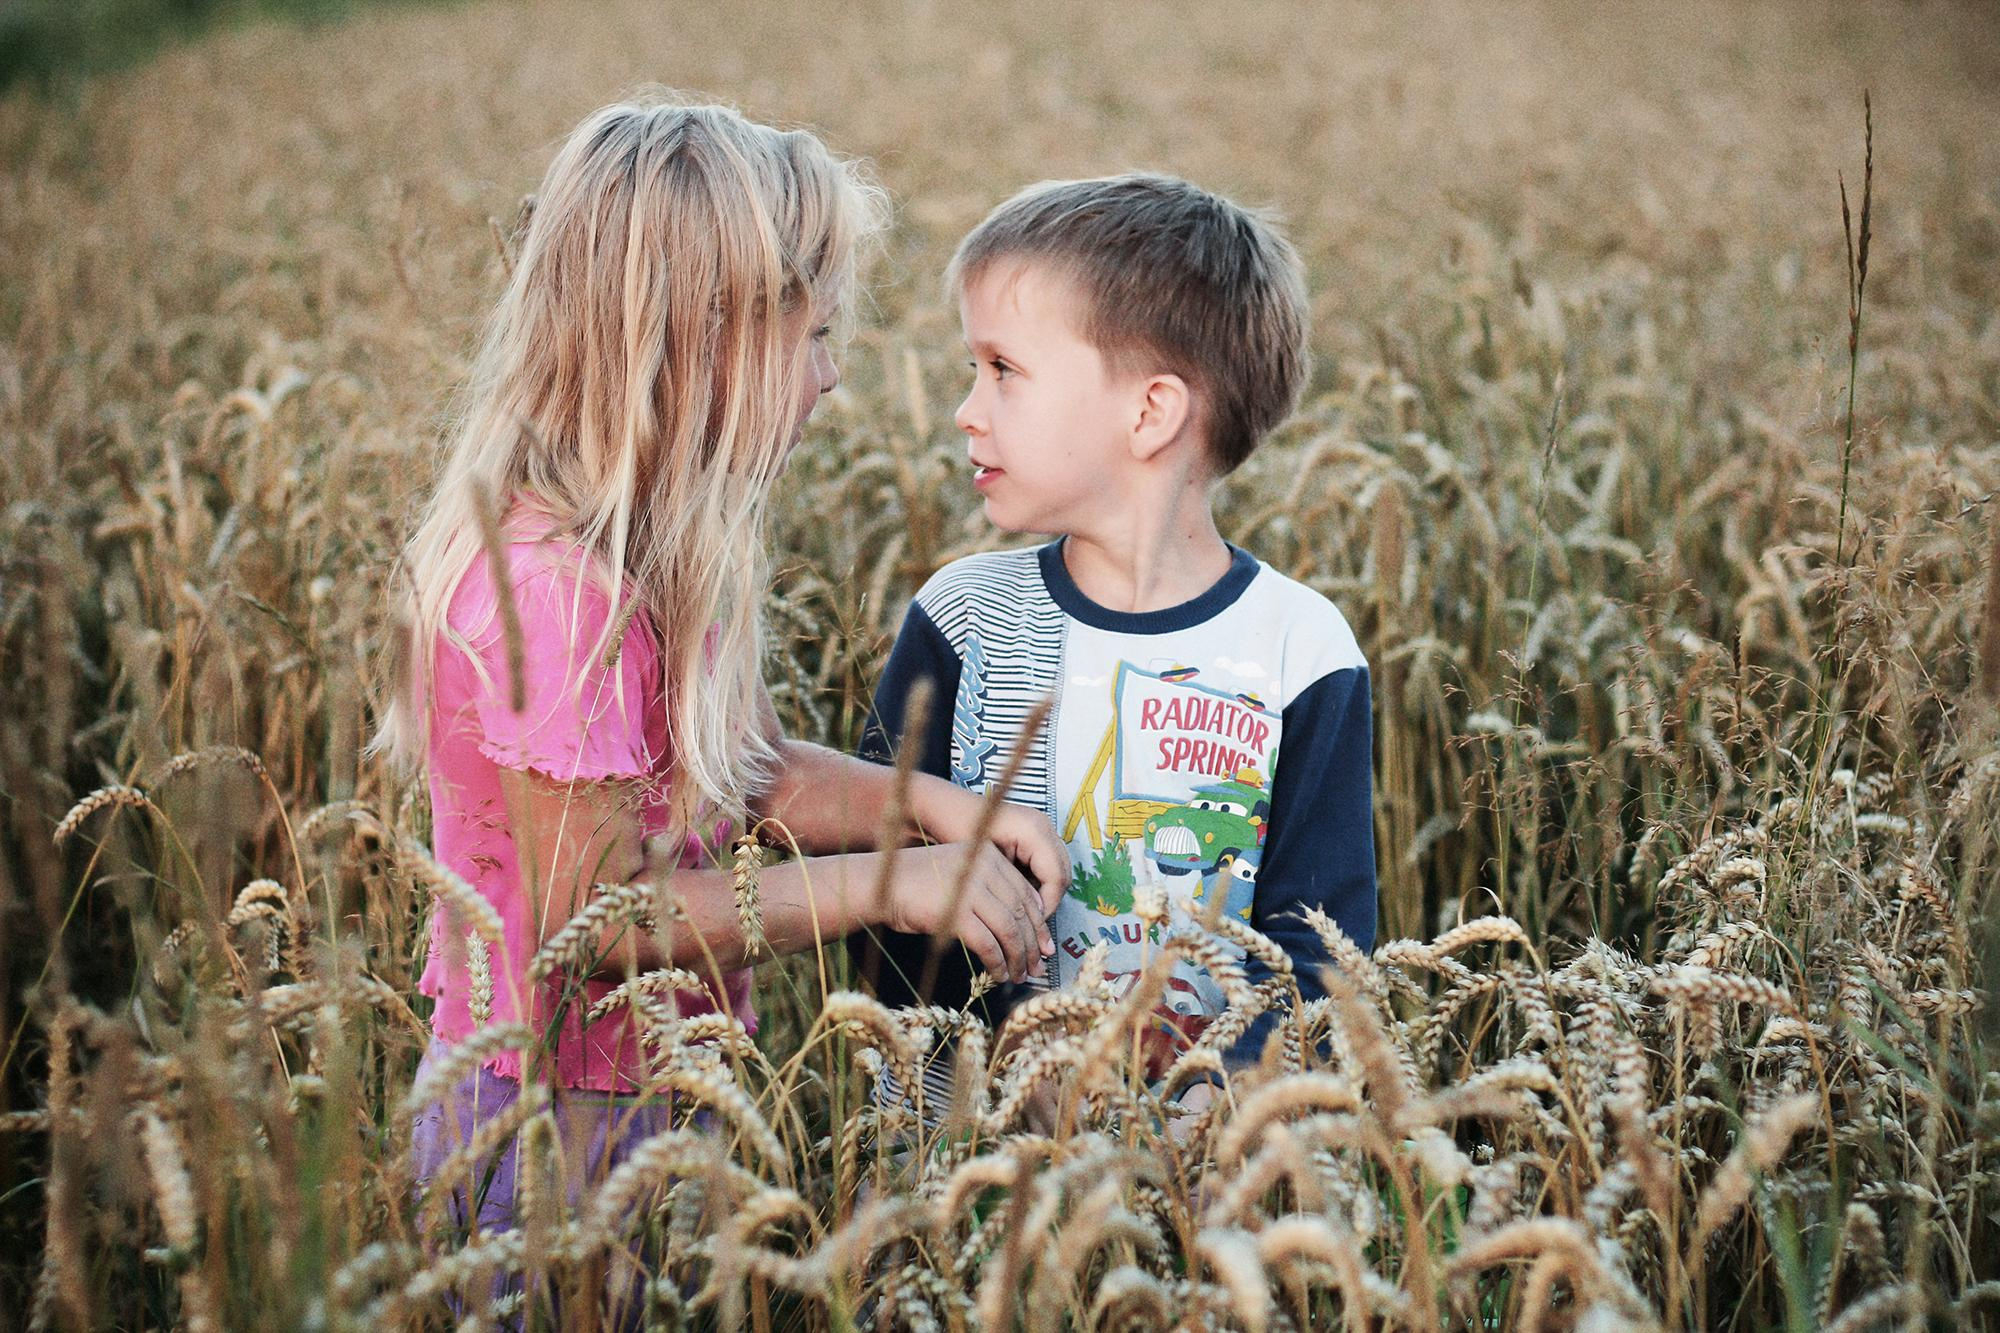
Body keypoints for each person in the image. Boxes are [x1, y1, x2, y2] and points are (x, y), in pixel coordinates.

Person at [371, 97, 1068, 1314]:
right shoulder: (552, 596)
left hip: (644, 1099)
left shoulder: (654, 563)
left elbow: (732, 768)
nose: (834, 374)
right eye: (813, 334)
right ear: (701, 339)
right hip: (534, 1133)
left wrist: (940, 810)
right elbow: (593, 926)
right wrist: (888, 882)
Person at [855, 173, 1377, 1124]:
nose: (968, 409)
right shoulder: (964, 620)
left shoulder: (1302, 651)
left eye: (1003, 370)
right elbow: (880, 894)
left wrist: (1213, 1112)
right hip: (963, 1182)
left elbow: (1323, 957)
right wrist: (1008, 1070)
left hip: (1209, 1194)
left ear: (1150, 412)